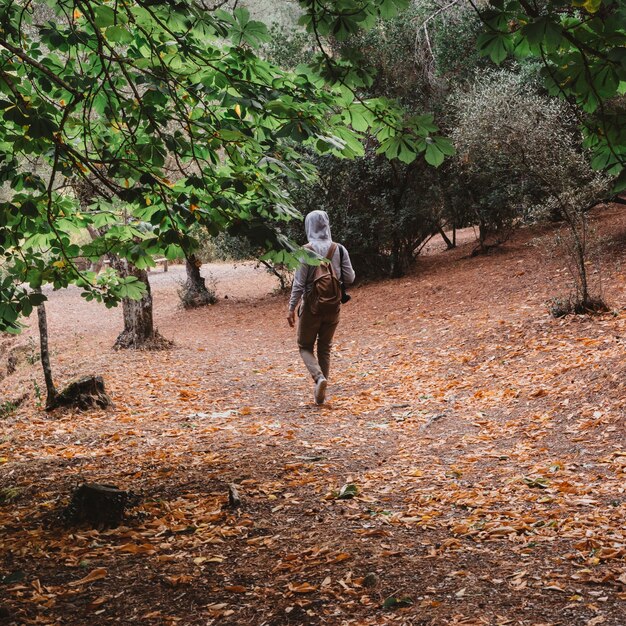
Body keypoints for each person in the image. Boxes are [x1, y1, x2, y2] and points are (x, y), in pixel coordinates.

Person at [287, 210, 355, 405]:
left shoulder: (305, 251)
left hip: (311, 307)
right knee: (325, 347)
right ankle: (320, 394)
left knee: (305, 345)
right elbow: (350, 278)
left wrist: (291, 308)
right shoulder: (339, 249)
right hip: (333, 306)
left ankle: (319, 379)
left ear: (308, 226)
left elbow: (299, 284)